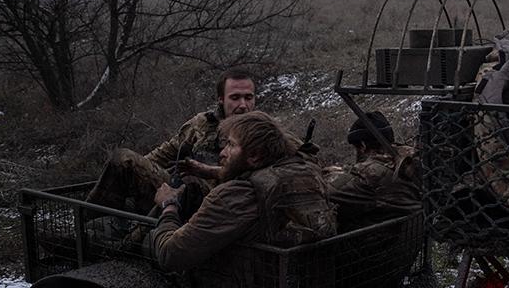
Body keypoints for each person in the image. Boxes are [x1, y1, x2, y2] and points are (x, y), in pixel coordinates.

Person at [151, 111, 335, 270]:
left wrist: (169, 207)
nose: (222, 153)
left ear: (254, 156)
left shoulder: (235, 196)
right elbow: (260, 175)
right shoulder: (309, 172)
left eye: (231, 145)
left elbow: (171, 256)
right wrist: (210, 171)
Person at [86, 69, 257, 213]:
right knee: (124, 160)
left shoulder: (262, 134)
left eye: (248, 98)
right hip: (180, 191)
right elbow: (167, 152)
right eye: (235, 98)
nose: (243, 105)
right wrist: (137, 172)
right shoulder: (202, 124)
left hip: (218, 203)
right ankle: (87, 225)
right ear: (221, 98)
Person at [323, 111, 421, 232]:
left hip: (377, 244)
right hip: (409, 239)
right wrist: (345, 170)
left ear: (363, 145)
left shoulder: (370, 175)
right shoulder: (408, 160)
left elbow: (326, 193)